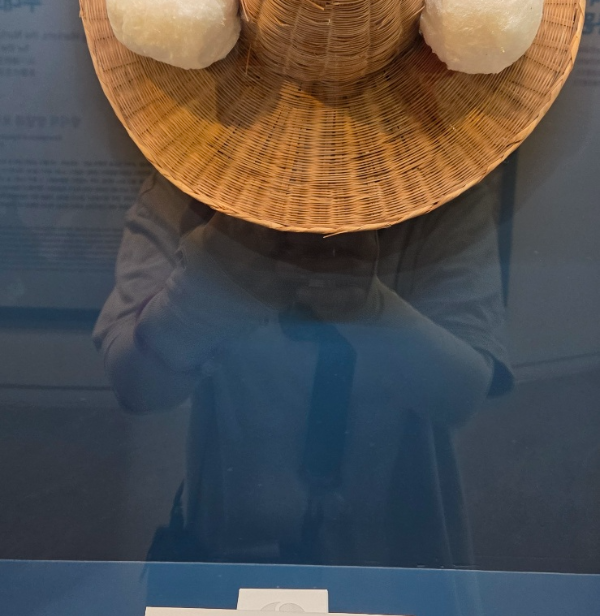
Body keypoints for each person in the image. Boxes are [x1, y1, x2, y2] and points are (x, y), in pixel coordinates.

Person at [93, 168, 512, 568]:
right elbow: (135, 384)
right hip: (238, 547)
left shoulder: (446, 197)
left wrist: (370, 309)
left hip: (391, 556)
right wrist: (213, 278)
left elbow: (460, 394)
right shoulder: (183, 187)